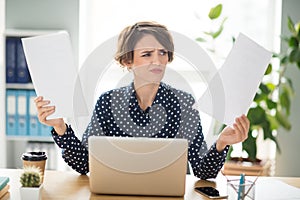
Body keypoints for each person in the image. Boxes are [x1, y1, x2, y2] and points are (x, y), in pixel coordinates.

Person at [35, 21, 249, 180]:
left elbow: (203, 172)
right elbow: (84, 164)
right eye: (147, 54)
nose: (157, 61)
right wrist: (61, 128)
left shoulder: (184, 104)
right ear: (128, 61)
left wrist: (221, 143)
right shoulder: (108, 102)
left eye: (163, 53)